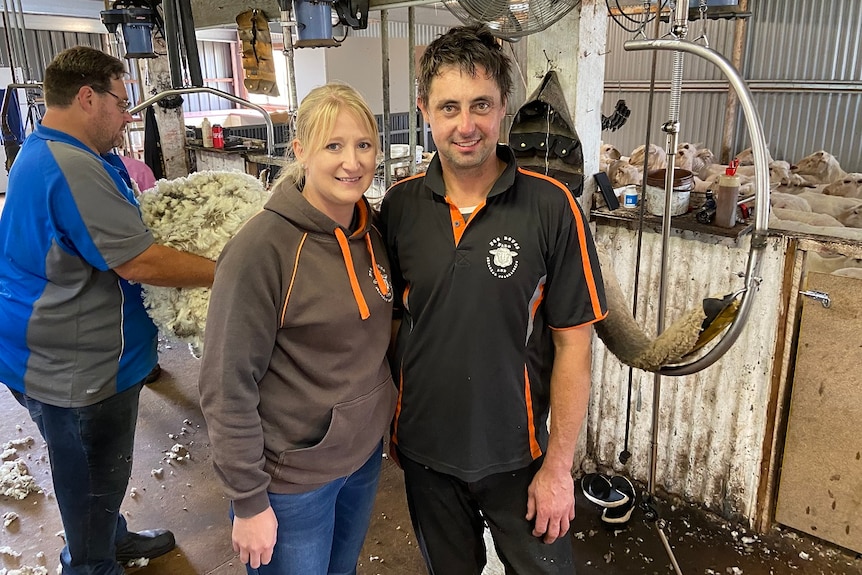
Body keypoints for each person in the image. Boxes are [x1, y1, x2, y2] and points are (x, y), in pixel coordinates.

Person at [379, 24, 608, 574]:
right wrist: (390, 422)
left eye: (480, 105)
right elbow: (385, 330)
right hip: (427, 455)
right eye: (449, 107)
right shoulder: (400, 206)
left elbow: (575, 346)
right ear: (424, 110)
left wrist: (558, 468)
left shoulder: (551, 208)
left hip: (520, 458)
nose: (466, 125)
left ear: (504, 107)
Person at [0, 46, 216, 574]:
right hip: (76, 367)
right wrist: (229, 268)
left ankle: (108, 538)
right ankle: (91, 564)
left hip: (55, 351)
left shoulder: (56, 152)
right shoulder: (70, 165)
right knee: (93, 476)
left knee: (97, 475)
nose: (127, 118)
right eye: (122, 104)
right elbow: (139, 261)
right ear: (87, 96)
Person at [198, 82, 396, 574]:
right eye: (333, 146)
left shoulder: (371, 232)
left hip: (362, 459)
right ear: (300, 151)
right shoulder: (261, 251)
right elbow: (225, 384)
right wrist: (248, 500)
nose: (352, 162)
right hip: (293, 481)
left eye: (363, 145)